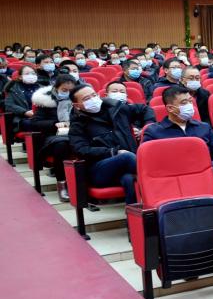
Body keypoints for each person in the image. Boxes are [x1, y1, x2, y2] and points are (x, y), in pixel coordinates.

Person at [68, 84, 154, 204]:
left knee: (128, 179)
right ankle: (160, 177)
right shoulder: (77, 125)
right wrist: (113, 152)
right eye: (87, 99)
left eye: (94, 95)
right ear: (77, 105)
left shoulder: (116, 109)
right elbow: (81, 150)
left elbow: (145, 109)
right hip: (100, 170)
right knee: (126, 157)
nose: (93, 99)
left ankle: (136, 214)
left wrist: (146, 127)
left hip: (127, 167)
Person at [141, 86, 213, 188]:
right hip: (174, 182)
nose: (189, 105)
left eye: (190, 101)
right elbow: (149, 165)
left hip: (207, 177)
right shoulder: (153, 132)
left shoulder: (204, 127)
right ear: (170, 108)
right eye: (184, 103)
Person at [26, 73, 77, 201]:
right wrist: (54, 124)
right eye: (64, 90)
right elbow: (35, 123)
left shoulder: (78, 101)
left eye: (71, 90)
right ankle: (62, 184)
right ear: (56, 88)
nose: (68, 93)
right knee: (62, 145)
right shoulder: (46, 102)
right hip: (53, 137)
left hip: (76, 134)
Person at [4, 64, 41, 132]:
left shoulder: (41, 88)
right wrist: (25, 112)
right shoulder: (13, 89)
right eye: (27, 74)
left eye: (33, 73)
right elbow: (9, 105)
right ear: (20, 77)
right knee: (32, 124)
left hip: (41, 116)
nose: (31, 75)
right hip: (23, 117)